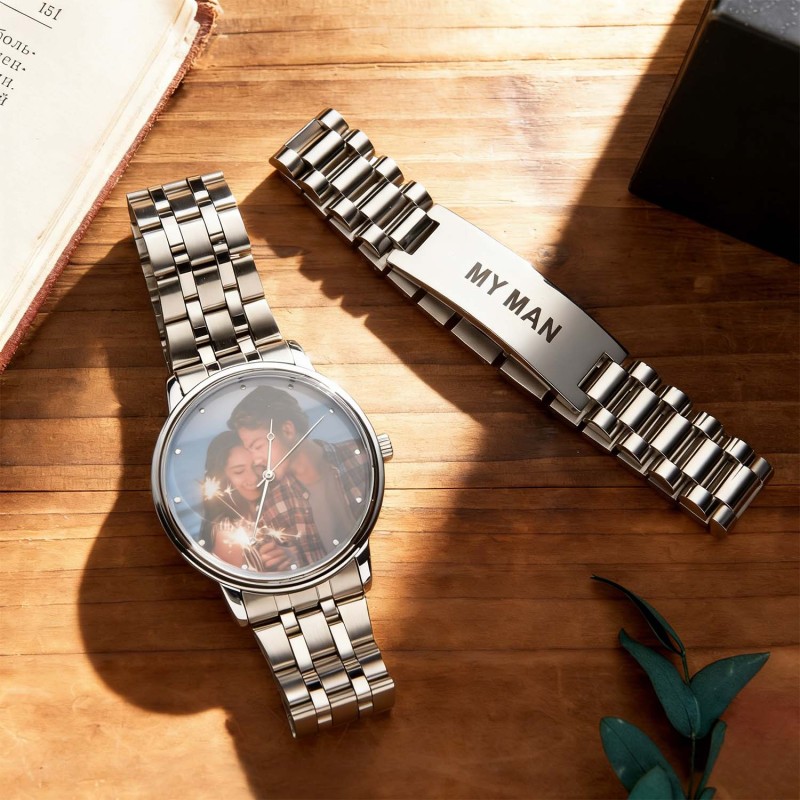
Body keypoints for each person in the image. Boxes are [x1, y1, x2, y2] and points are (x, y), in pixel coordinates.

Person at [227, 385, 369, 568]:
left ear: (287, 430)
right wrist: (290, 563)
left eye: (258, 446)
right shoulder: (271, 508)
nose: (256, 460)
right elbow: (301, 571)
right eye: (250, 450)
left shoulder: (360, 455)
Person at [199, 430, 295, 572]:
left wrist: (292, 556)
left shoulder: (276, 505)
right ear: (222, 477)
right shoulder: (227, 533)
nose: (254, 478)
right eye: (239, 471)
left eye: (257, 466)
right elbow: (243, 581)